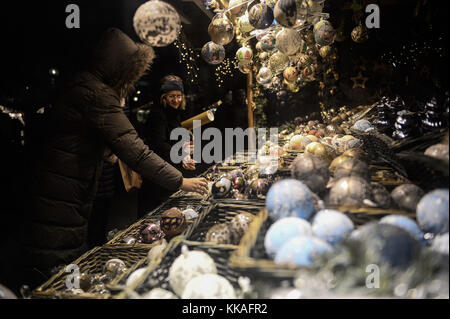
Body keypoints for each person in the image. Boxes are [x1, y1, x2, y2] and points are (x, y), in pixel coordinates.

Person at [19, 28, 208, 287]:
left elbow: (80, 137)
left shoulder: (81, 85)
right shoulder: (98, 95)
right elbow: (136, 150)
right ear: (120, 68)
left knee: (59, 263)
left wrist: (103, 149)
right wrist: (181, 182)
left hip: (59, 189)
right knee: (55, 269)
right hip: (60, 195)